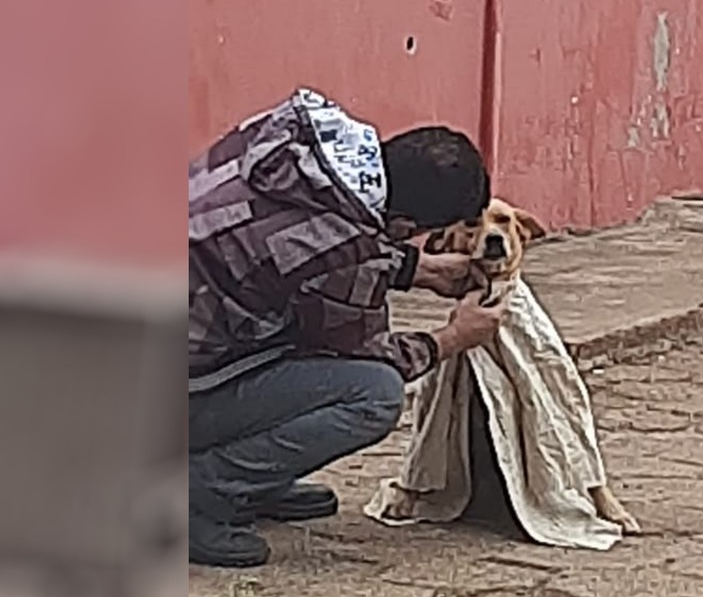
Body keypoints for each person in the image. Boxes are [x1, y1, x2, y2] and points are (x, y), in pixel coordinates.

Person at [188, 88, 505, 567]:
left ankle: (255, 482)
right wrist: (451, 339)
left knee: (291, 325)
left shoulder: (298, 142)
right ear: (403, 222)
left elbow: (286, 252)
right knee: (372, 393)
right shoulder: (341, 252)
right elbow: (362, 349)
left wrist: (417, 268)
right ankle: (199, 494)